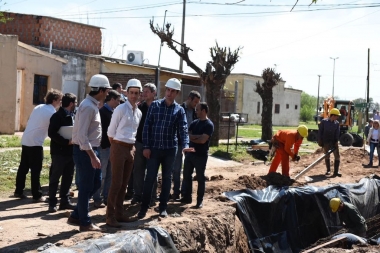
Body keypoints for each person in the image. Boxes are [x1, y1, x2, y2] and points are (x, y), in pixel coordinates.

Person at [137, 78, 192, 219]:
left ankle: (162, 208)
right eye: (168, 89)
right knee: (150, 178)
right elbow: (146, 127)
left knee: (167, 178)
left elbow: (183, 129)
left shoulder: (179, 111)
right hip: (154, 149)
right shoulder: (154, 106)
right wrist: (146, 146)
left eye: (173, 91)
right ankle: (143, 209)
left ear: (177, 93)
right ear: (165, 90)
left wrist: (185, 145)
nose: (169, 93)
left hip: (169, 150)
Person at [67, 74, 111, 232]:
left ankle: (77, 214)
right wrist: (92, 156)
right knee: (86, 187)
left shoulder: (92, 105)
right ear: (100, 90)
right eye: (106, 91)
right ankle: (85, 222)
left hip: (91, 150)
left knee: (96, 183)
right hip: (85, 152)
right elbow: (82, 136)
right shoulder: (87, 107)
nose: (107, 94)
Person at [14, 89, 63, 202]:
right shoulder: (52, 113)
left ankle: (18, 191)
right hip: (36, 143)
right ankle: (37, 195)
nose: (61, 102)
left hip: (26, 140)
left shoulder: (38, 107)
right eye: (60, 100)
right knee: (36, 170)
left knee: (23, 168)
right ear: (54, 100)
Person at [105, 79, 142, 227]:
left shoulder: (138, 112)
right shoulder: (120, 109)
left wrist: (130, 148)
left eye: (136, 93)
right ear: (126, 93)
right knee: (116, 183)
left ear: (139, 95)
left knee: (124, 183)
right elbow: (110, 132)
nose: (133, 96)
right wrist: (116, 147)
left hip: (131, 148)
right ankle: (110, 216)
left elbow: (134, 132)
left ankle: (119, 214)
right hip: (118, 146)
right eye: (131, 92)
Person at [47, 93, 77, 213]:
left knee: (68, 177)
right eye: (75, 103)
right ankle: (52, 202)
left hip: (71, 151)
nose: (76, 105)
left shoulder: (73, 116)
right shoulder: (57, 116)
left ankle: (65, 201)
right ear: (70, 104)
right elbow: (52, 133)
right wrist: (66, 142)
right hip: (59, 152)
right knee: (55, 177)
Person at [180, 102, 214, 208]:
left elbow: (203, 140)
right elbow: (188, 136)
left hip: (201, 155)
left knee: (200, 178)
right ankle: (187, 197)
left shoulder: (209, 125)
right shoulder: (194, 123)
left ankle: (199, 200)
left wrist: (194, 137)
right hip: (190, 153)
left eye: (198, 110)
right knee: (186, 176)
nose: (196, 111)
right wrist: (197, 137)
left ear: (203, 111)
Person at [92, 90, 121, 208]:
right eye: (117, 100)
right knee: (102, 174)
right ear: (112, 99)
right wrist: (104, 145)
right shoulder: (102, 112)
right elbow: (102, 131)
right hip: (104, 147)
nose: (119, 103)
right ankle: (97, 198)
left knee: (110, 174)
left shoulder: (114, 112)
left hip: (112, 147)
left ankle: (106, 197)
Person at [172, 90, 201, 200]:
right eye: (195, 102)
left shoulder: (195, 112)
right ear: (189, 99)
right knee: (176, 168)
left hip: (191, 143)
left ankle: (185, 192)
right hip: (179, 142)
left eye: (198, 102)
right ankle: (176, 192)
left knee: (188, 170)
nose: (196, 104)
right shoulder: (179, 109)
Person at [131, 83, 157, 205]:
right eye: (144, 91)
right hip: (139, 143)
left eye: (147, 91)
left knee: (152, 171)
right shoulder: (139, 107)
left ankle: (151, 197)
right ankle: (137, 195)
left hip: (154, 144)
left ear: (154, 93)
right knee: (138, 170)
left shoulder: (158, 107)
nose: (143, 94)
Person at [318, 108, 341, 177]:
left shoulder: (337, 123)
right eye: (337, 116)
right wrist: (320, 140)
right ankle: (328, 170)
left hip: (334, 142)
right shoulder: (324, 122)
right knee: (327, 156)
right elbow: (320, 132)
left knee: (337, 156)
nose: (337, 117)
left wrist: (336, 141)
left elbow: (337, 133)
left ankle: (336, 172)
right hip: (326, 141)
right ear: (333, 115)